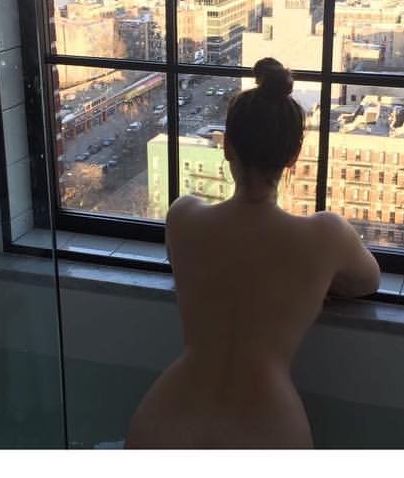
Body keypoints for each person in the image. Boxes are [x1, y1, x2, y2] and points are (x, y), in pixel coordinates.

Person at [125, 57, 381, 449]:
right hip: (268, 424)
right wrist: (312, 282)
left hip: (166, 419)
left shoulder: (183, 217)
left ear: (226, 146)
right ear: (294, 156)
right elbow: (366, 281)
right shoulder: (324, 237)